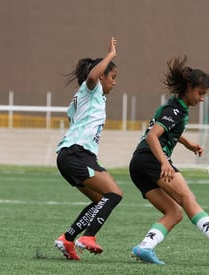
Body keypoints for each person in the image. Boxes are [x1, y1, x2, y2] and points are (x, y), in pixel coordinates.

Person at [129, 56, 209, 265]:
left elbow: (164, 130)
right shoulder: (174, 110)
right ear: (188, 88)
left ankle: (145, 247)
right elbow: (152, 136)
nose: (202, 98)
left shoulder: (176, 109)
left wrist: (186, 142)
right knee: (187, 197)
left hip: (138, 164)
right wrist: (165, 162)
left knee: (174, 212)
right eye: (200, 93)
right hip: (151, 158)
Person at [54, 37, 123, 260]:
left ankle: (68, 238)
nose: (115, 82)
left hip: (70, 155)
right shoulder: (90, 89)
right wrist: (110, 55)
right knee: (113, 194)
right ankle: (88, 237)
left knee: (99, 201)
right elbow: (93, 76)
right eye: (112, 77)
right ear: (102, 75)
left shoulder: (81, 99)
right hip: (77, 153)